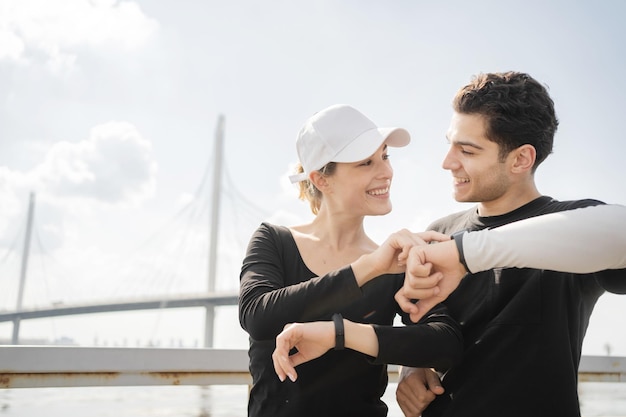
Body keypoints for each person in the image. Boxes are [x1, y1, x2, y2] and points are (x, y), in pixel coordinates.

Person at [394, 71, 626, 417]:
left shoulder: (576, 229)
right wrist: (411, 367)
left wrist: (465, 256)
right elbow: (423, 327)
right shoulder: (439, 231)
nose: (447, 162)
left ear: (520, 159)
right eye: (450, 144)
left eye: (467, 150)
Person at [238, 104, 464, 417]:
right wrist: (369, 267)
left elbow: (445, 343)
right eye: (365, 163)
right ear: (321, 179)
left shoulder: (394, 260)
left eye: (385, 156)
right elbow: (258, 316)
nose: (386, 172)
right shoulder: (274, 240)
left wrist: (407, 361)